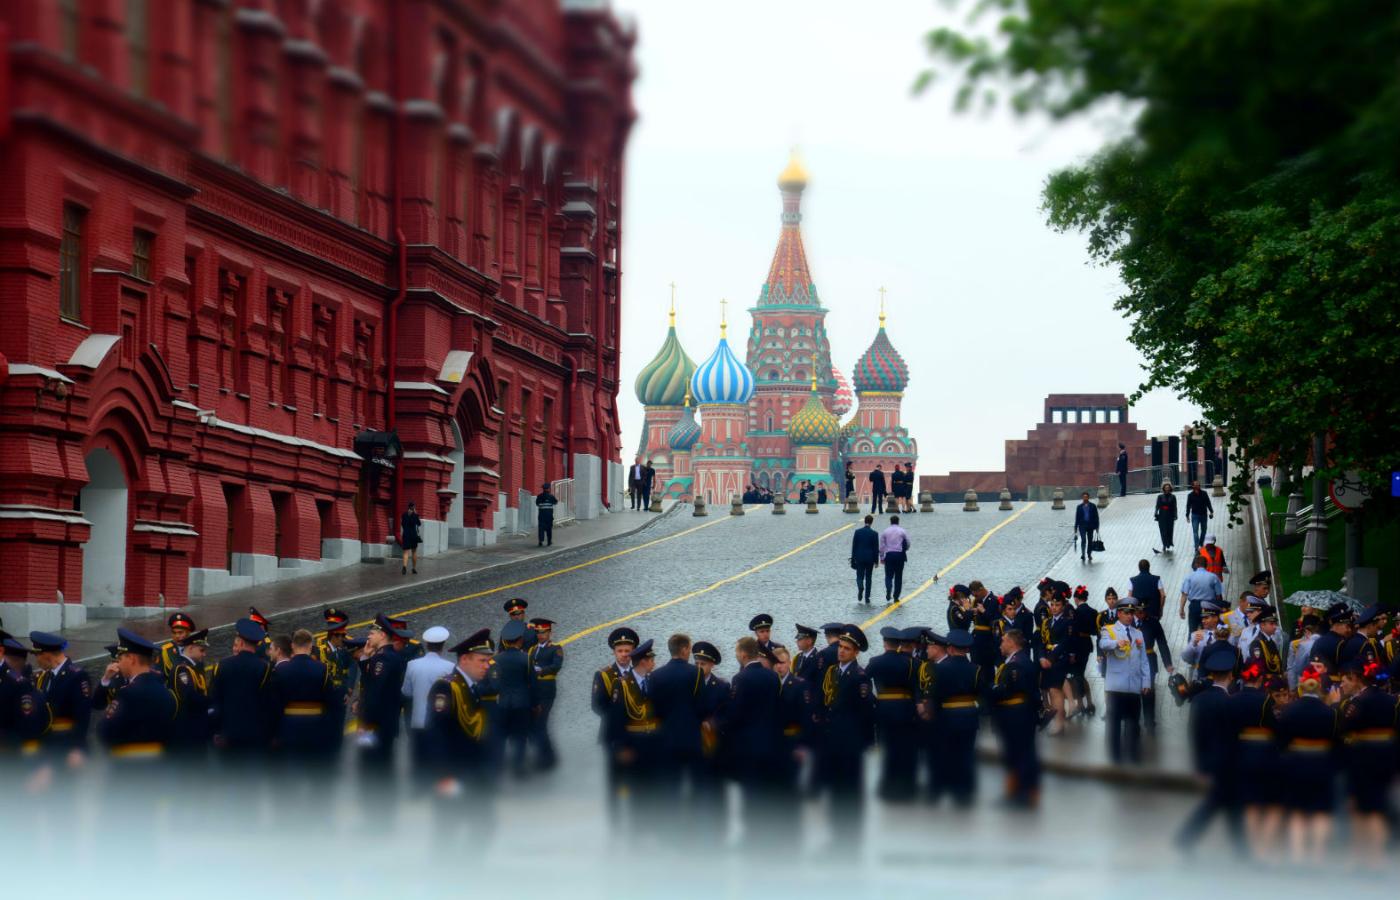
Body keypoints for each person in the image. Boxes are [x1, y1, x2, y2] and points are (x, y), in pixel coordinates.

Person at [1174, 641, 1245, 853]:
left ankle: (1241, 850)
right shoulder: (1231, 701)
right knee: (1222, 803)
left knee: (1226, 803)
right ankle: (1186, 839)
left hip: (1209, 761)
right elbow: (1235, 736)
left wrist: (1199, 766)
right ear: (1230, 675)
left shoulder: (1199, 700)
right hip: (1228, 763)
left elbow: (1195, 734)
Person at [427, 629, 499, 807]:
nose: (487, 666)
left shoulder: (471, 686)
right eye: (482, 661)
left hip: (474, 772)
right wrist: (444, 775)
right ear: (465, 659)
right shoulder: (447, 687)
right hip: (455, 773)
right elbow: (437, 732)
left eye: (488, 661)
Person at [1337, 658, 1398, 867]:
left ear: (1357, 679)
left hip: (1364, 757)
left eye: (1346, 679)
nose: (1343, 684)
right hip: (1387, 755)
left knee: (1364, 809)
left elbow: (1344, 728)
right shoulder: (1391, 700)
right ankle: (1375, 858)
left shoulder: (1358, 703)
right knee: (1378, 807)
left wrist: (1334, 704)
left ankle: (1365, 858)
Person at [817, 624, 874, 843]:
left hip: (850, 742)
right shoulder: (834, 672)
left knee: (849, 789)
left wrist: (865, 742)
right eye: (840, 646)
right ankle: (835, 834)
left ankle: (850, 835)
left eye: (847, 648)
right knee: (834, 787)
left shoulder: (859, 676)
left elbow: (866, 712)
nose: (841, 651)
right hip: (832, 739)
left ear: (856, 652)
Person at [1274, 664, 1337, 862]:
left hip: (1296, 762)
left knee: (1297, 811)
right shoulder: (1330, 712)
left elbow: (1281, 741)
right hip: (1322, 763)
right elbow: (1336, 741)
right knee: (1321, 812)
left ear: (1302, 685)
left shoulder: (1290, 711)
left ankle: (1298, 857)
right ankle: (1317, 857)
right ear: (1319, 686)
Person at [97, 629, 176, 762]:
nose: (118, 663)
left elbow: (105, 731)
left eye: (120, 658)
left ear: (131, 659)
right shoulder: (165, 691)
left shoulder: (127, 693)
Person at [268, 629, 337, 773]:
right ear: (310, 645)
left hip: (289, 729)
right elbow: (331, 701)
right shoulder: (321, 669)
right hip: (315, 729)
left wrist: (275, 733)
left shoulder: (280, 671)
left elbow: (274, 705)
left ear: (292, 646)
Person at [207, 617, 274, 761]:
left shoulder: (221, 666)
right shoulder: (264, 668)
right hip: (255, 734)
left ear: (241, 643)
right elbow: (267, 703)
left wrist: (216, 731)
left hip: (228, 734)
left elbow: (214, 700)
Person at [648, 633, 703, 804]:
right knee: (695, 786)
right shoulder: (696, 673)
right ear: (684, 649)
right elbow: (701, 706)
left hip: (666, 738)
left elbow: (653, 710)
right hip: (691, 738)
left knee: (670, 787)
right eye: (689, 649)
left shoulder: (656, 676)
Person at [866, 626, 918, 800]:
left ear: (884, 643)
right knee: (904, 747)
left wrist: (875, 701)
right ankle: (906, 786)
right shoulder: (910, 662)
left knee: (886, 747)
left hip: (883, 708)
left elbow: (863, 684)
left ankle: (887, 786)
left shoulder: (875, 662)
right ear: (898, 644)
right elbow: (915, 687)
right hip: (904, 708)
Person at [990, 628, 1040, 808]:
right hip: (1020, 714)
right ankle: (1016, 792)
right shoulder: (1020, 660)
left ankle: (1022, 794)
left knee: (1019, 754)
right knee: (1017, 753)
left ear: (1011, 643)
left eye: (1003, 640)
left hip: (1016, 715)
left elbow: (1006, 690)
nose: (1001, 644)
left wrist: (989, 690)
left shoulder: (1017, 663)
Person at [29, 631, 92, 771]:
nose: (36, 660)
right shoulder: (44, 676)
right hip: (46, 746)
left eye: (36, 655)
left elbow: (83, 715)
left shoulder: (76, 676)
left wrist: (77, 748)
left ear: (46, 654)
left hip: (67, 747)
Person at [1099, 598, 1152, 764]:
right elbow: (1103, 644)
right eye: (1127, 613)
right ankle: (1115, 757)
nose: (1130, 616)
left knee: (1134, 723)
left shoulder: (1138, 633)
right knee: (1114, 724)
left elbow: (1144, 660)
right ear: (1119, 613)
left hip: (1134, 685)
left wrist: (1146, 681)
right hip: (1116, 686)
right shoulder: (1109, 630)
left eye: (1132, 613)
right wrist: (1116, 643)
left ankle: (1133, 754)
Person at [357, 615, 410, 778]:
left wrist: (365, 723)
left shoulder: (383, 658)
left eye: (372, 633)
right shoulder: (389, 656)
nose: (368, 636)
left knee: (372, 768)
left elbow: (374, 692)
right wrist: (366, 658)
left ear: (382, 635)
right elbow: (372, 683)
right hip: (386, 722)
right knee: (382, 766)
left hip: (376, 725)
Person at [401, 625, 454, 771]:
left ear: (426, 644)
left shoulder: (412, 665)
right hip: (440, 722)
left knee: (418, 762)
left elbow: (406, 692)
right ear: (443, 645)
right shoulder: (449, 667)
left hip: (418, 721)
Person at [525, 618, 563, 771]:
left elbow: (556, 666)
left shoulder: (555, 648)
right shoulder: (532, 650)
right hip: (533, 690)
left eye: (543, 632)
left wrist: (541, 670)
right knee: (532, 724)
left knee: (540, 724)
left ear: (549, 633)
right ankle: (543, 754)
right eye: (538, 632)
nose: (541, 635)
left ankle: (547, 757)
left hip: (546, 690)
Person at [1177, 555, 1223, 632]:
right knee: (1209, 630)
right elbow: (1218, 595)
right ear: (1206, 565)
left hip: (1194, 606)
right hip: (1209, 606)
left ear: (1196, 564)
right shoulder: (1213, 577)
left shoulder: (1189, 577)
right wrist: (1220, 609)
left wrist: (1181, 609)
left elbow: (1184, 595)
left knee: (1193, 631)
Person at [879, 515, 910, 604]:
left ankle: (889, 588)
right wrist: (905, 549)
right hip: (900, 555)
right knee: (898, 576)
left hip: (889, 555)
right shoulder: (902, 531)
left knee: (888, 575)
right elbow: (908, 543)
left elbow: (881, 546)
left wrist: (882, 557)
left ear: (890, 521)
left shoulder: (885, 531)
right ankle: (896, 596)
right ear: (898, 522)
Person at [850, 514, 879, 604]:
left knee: (859, 575)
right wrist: (876, 561)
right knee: (869, 577)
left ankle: (860, 586)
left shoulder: (857, 532)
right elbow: (875, 548)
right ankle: (867, 597)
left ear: (864, 521)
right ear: (872, 522)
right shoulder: (874, 534)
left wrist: (853, 558)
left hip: (859, 557)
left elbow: (854, 546)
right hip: (870, 558)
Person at [1184, 479, 1213, 550]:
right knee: (1195, 532)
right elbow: (1188, 506)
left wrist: (1211, 511)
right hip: (1195, 515)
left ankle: (1201, 542)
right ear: (1193, 486)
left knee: (1204, 530)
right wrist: (1187, 515)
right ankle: (1196, 547)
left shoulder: (1204, 493)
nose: (1197, 485)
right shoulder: (1190, 495)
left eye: (1198, 484)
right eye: (1195, 484)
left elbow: (1208, 502)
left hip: (1204, 514)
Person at [1152, 481, 1178, 554]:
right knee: (1163, 531)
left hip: (1170, 515)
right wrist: (1156, 512)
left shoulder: (1173, 497)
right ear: (1163, 489)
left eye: (1168, 488)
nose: (1167, 489)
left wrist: (1175, 515)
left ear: (1170, 489)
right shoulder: (1160, 497)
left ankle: (1169, 543)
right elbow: (1157, 506)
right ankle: (1164, 544)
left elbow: (1175, 507)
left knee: (1169, 530)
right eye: (1166, 488)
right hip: (1162, 515)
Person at [1074, 491, 1100, 562]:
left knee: (1090, 541)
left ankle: (1089, 554)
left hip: (1090, 526)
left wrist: (1097, 527)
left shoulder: (1093, 506)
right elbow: (1077, 518)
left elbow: (1096, 517)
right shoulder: (1079, 507)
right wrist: (1075, 528)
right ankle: (1083, 554)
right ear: (1082, 498)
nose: (1085, 498)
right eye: (1084, 497)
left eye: (1086, 497)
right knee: (1083, 540)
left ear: (1088, 497)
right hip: (1082, 526)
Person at [400, 501, 422, 574]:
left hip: (406, 535)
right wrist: (416, 514)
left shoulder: (404, 515)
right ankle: (414, 568)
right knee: (414, 552)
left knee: (406, 552)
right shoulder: (415, 515)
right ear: (414, 507)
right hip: (413, 535)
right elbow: (419, 524)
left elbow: (402, 524)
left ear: (408, 507)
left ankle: (404, 567)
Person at [535, 482, 558, 547]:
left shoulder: (539, 496)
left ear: (543, 489)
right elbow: (555, 502)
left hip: (541, 515)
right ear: (548, 489)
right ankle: (549, 542)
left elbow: (537, 504)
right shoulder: (551, 496)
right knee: (549, 528)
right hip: (549, 515)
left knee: (541, 528)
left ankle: (540, 541)